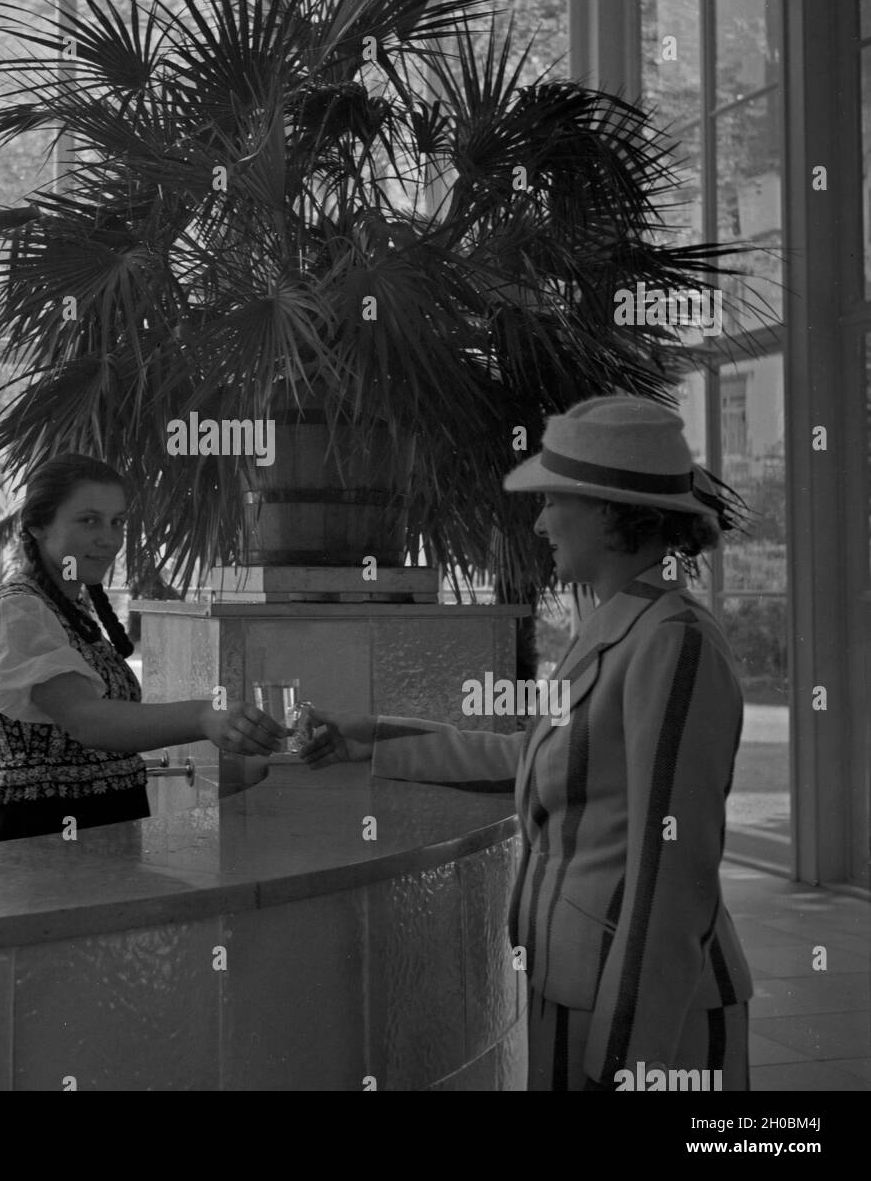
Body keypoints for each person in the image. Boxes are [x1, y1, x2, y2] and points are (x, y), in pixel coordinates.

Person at [300, 396, 755, 1091]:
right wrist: (376, 741)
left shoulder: (673, 642)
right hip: (576, 987)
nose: (540, 523)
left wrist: (631, 1056)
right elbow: (536, 758)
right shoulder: (616, 623)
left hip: (643, 1014)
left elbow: (674, 871)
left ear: (610, 511)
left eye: (552, 500)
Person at [0, 452, 283, 841]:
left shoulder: (70, 607)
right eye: (88, 521)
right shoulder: (19, 608)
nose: (108, 539)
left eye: (117, 522)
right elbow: (88, 719)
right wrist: (205, 717)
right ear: (37, 526)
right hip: (44, 827)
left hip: (103, 822)